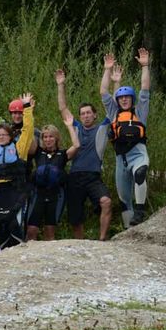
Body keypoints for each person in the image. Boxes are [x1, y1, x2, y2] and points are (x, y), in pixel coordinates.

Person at [56, 68, 112, 241]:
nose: (86, 116)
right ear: (79, 117)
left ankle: (102, 240)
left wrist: (108, 71)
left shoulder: (103, 127)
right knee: (75, 216)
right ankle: (80, 245)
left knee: (106, 202)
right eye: (83, 113)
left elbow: (111, 105)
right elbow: (63, 108)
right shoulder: (77, 127)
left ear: (95, 115)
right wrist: (61, 85)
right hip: (74, 176)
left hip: (94, 177)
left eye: (89, 113)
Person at [103, 49, 153, 226]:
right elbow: (103, 92)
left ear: (132, 99)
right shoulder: (113, 113)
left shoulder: (140, 112)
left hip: (138, 154)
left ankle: (140, 211)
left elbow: (145, 89)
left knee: (140, 174)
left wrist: (145, 66)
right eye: (121, 98)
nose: (124, 100)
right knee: (124, 199)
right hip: (120, 160)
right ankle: (129, 230)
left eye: (127, 98)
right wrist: (107, 70)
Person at [0, 93, 35, 249]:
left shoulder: (19, 148)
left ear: (11, 136)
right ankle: (3, 258)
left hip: (15, 191)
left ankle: (18, 255)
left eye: (5, 135)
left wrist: (27, 108)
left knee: (15, 225)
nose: (2, 137)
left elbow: (28, 129)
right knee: (2, 227)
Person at [26, 124, 79, 241]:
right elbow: (29, 138)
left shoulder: (63, 154)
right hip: (38, 194)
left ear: (56, 138)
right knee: (31, 230)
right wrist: (29, 114)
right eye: (45, 137)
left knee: (50, 232)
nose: (48, 139)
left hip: (56, 195)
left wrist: (70, 127)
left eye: (51, 137)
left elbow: (76, 145)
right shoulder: (38, 152)